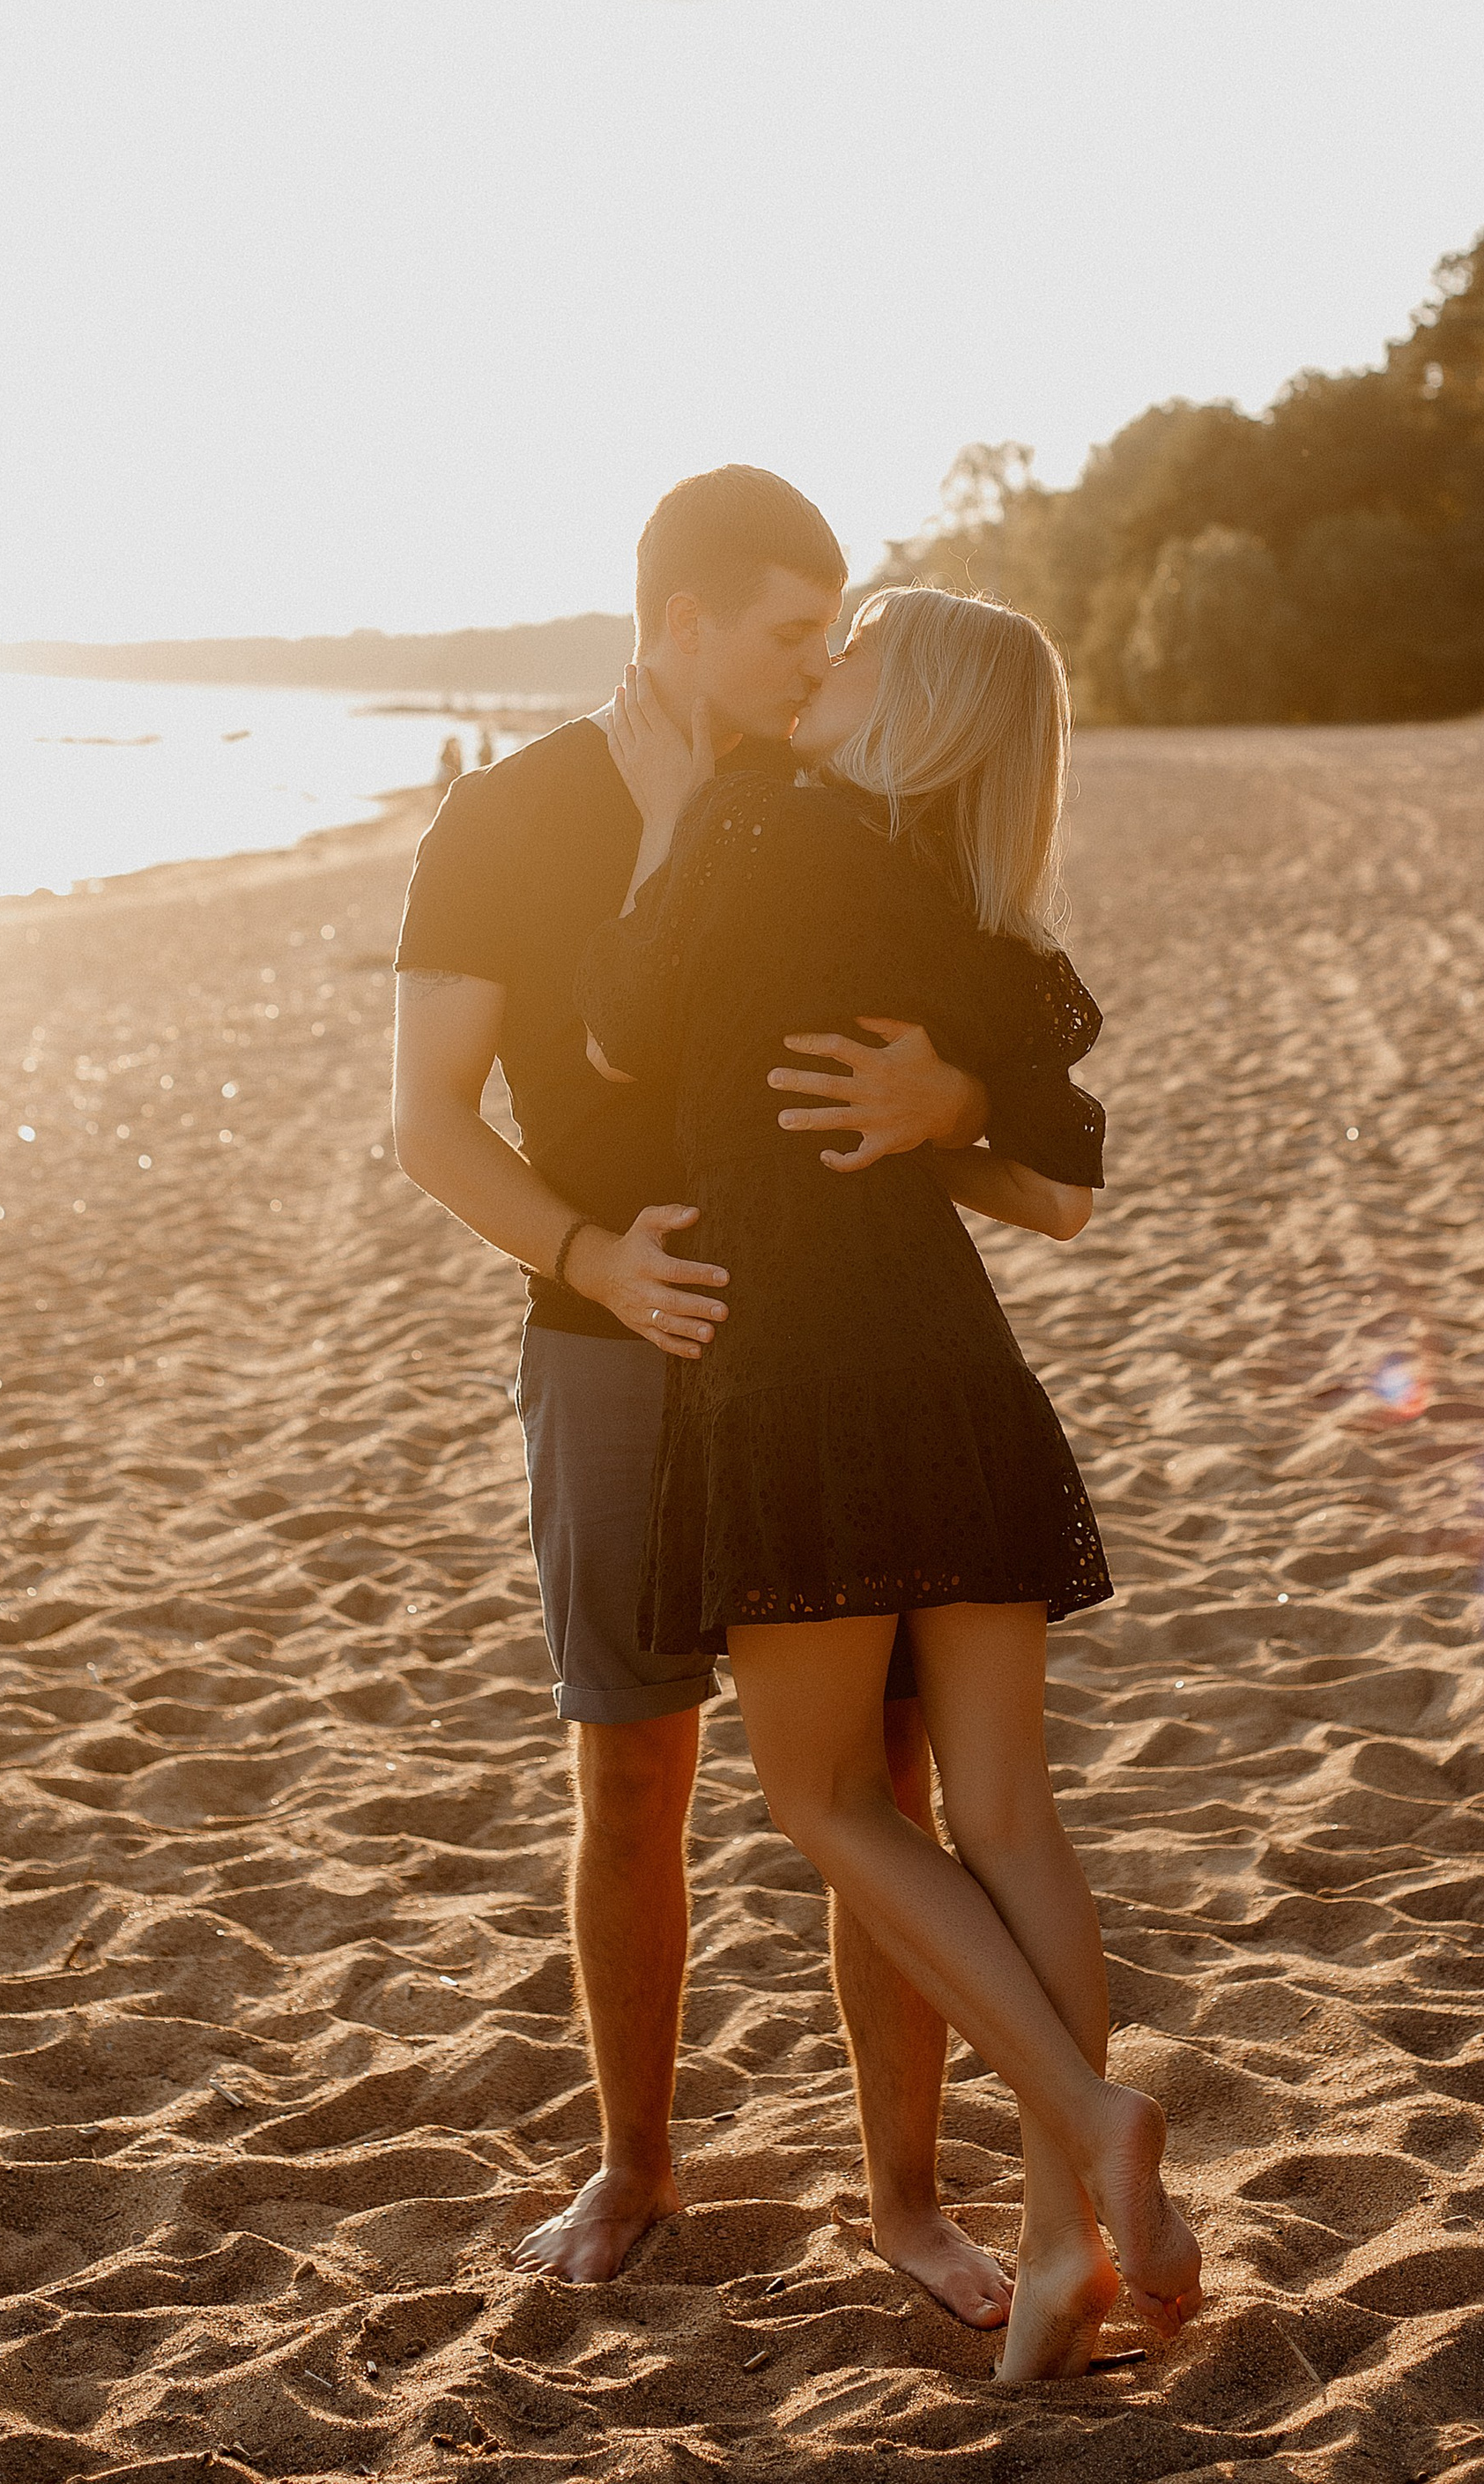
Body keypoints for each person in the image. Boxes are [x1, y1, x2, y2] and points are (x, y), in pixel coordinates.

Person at [392, 468, 1073, 2317]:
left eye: (833, 630)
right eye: (789, 630)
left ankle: (909, 2200)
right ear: (681, 623)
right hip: (616, 1351)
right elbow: (428, 1119)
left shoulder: (856, 802)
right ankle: (631, 2168)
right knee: (633, 1770)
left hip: (846, 1353)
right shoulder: (513, 816)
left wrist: (948, 1101)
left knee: (889, 1782)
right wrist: (591, 1259)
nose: (819, 661)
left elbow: (1002, 1055)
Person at [578, 586, 1201, 2383]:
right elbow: (1065, 1186)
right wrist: (945, 1116)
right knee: (1008, 1820)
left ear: (901, 703)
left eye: (846, 651)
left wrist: (675, 810)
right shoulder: (963, 908)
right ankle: (1054, 2250)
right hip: (956, 1376)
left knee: (830, 1800)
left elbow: (620, 1034)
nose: (813, 665)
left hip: (794, 1380)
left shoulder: (758, 819)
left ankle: (1091, 2121)